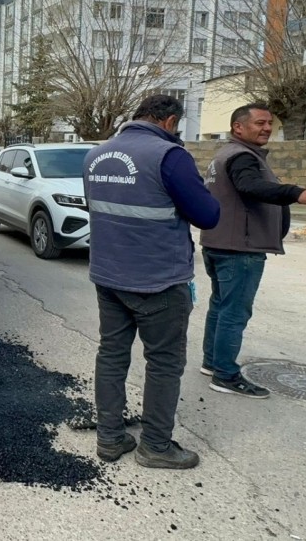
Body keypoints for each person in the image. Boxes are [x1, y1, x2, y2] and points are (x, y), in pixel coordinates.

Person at [83, 95, 221, 470]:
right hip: (158, 279)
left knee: (111, 355)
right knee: (163, 362)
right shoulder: (169, 156)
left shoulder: (96, 155)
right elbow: (208, 216)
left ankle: (110, 440)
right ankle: (156, 446)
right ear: (170, 121)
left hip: (109, 276)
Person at [200, 103, 306, 398]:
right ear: (238, 127)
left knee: (221, 307)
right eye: (259, 123)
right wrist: (298, 193)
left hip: (220, 242)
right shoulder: (241, 157)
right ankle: (225, 374)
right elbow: (252, 187)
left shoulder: (225, 154)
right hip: (239, 248)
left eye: (269, 123)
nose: (267, 128)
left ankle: (213, 363)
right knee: (234, 312)